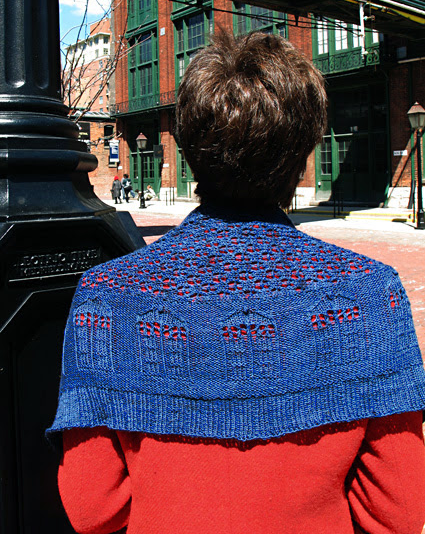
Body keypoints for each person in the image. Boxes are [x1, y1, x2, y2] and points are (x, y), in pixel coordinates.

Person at [48, 31, 425, 534]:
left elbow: (93, 508)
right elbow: (397, 511)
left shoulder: (108, 297)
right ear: (303, 151)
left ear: (189, 148)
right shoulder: (369, 293)